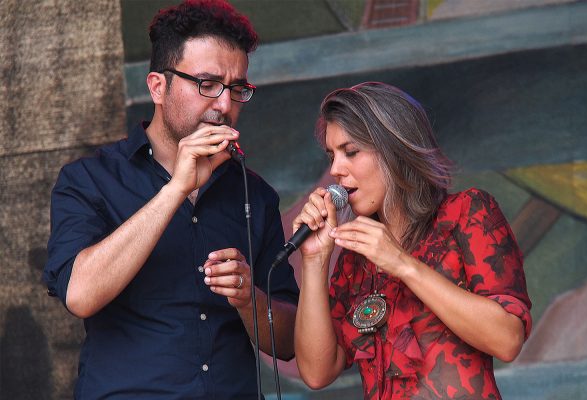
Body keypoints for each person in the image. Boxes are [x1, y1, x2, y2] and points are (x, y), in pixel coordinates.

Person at [43, 1, 299, 398]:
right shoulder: (90, 179)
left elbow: (287, 343)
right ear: (157, 87)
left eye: (237, 89)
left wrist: (250, 298)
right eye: (207, 84)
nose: (225, 105)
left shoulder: (254, 193)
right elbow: (79, 295)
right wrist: (175, 189)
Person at [293, 82, 532, 399]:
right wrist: (314, 261)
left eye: (351, 152)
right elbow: (316, 373)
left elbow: (507, 340)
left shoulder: (466, 213)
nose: (336, 169)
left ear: (395, 150)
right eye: (331, 155)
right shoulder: (355, 259)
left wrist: (402, 264)